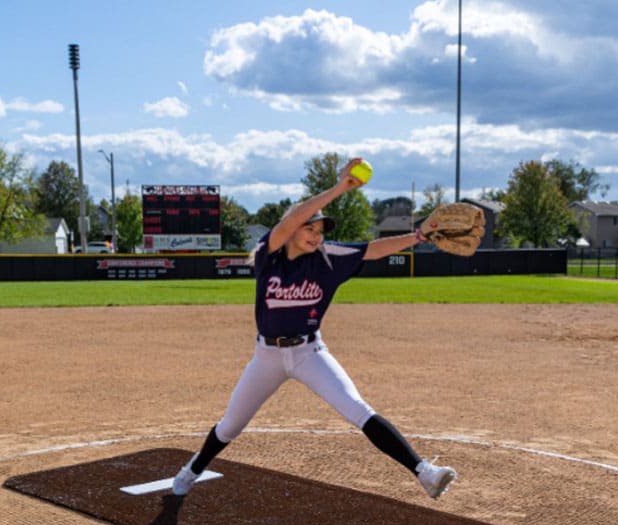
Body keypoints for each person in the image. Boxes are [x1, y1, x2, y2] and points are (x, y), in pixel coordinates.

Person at [172, 157, 456, 500]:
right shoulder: (269, 255)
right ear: (292, 229)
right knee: (231, 425)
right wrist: (340, 188)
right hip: (267, 357)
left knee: (357, 408)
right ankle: (191, 471)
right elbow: (291, 219)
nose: (316, 235)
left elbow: (375, 249)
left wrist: (419, 235)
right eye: (311, 228)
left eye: (320, 230)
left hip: (309, 352)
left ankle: (424, 471)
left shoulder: (327, 257)